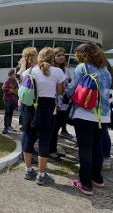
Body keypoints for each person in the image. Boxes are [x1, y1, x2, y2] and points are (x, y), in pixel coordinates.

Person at [65, 43, 112, 196]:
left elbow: (73, 90)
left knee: (85, 149)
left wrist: (65, 91)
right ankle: (97, 179)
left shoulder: (82, 68)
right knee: (97, 148)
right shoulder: (106, 70)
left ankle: (85, 183)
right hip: (103, 116)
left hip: (85, 113)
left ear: (83, 55)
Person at [22, 47, 66, 185]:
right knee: (44, 141)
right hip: (47, 108)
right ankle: (41, 175)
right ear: (52, 58)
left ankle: (28, 170)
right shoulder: (57, 71)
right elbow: (60, 92)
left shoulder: (29, 71)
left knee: (29, 138)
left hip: (30, 108)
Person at [48, 47, 73, 160]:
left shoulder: (66, 70)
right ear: (53, 57)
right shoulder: (50, 69)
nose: (62, 57)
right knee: (53, 128)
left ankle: (54, 148)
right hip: (54, 103)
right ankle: (50, 150)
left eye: (63, 54)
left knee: (57, 126)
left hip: (65, 103)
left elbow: (68, 85)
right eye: (58, 55)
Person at [18, 47, 39, 163]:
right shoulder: (38, 70)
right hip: (34, 105)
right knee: (31, 132)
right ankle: (26, 154)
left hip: (25, 104)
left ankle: (25, 153)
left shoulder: (26, 71)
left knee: (26, 131)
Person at [1, 69, 19, 134]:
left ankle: (9, 125)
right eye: (14, 74)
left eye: (15, 74)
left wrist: (13, 91)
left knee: (11, 113)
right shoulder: (7, 81)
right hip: (7, 100)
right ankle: (5, 127)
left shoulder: (15, 81)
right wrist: (11, 91)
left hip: (13, 100)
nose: (15, 75)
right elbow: (4, 88)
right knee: (7, 113)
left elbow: (17, 89)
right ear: (10, 75)